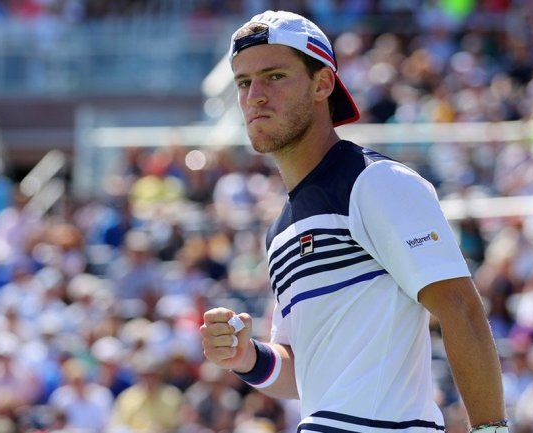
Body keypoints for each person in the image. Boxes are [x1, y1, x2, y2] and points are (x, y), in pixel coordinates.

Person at [201, 10, 507, 433]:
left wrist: (491, 429)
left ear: (322, 84)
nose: (255, 96)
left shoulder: (377, 182)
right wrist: (246, 356)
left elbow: (461, 310)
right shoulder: (279, 230)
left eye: (274, 76)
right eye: (243, 82)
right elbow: (304, 372)